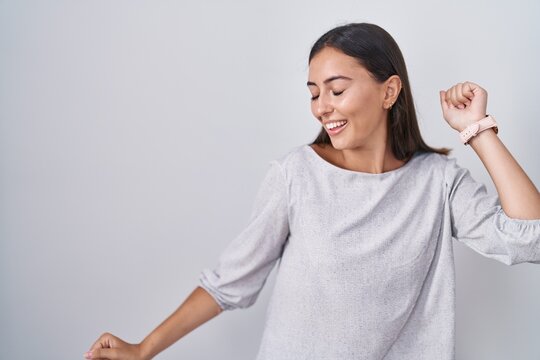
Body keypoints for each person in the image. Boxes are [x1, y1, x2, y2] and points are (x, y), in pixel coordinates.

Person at [84, 22, 540, 360]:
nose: (322, 107)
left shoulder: (437, 182)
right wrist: (144, 349)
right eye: (313, 92)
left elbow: (528, 238)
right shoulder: (296, 175)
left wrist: (478, 131)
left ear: (389, 91)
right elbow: (229, 284)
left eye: (336, 89)